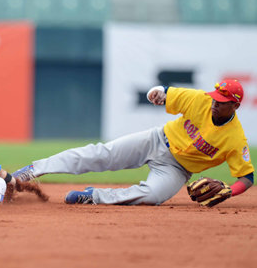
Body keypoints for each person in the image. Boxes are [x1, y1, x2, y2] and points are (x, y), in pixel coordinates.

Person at [13, 79, 253, 206]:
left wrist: (230, 191)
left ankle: (93, 196)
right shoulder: (200, 99)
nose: (215, 102)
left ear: (235, 106)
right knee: (101, 154)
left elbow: (248, 177)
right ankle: (33, 170)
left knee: (152, 196)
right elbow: (165, 90)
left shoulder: (235, 138)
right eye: (215, 97)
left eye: (222, 101)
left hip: (177, 169)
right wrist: (156, 92)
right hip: (156, 140)